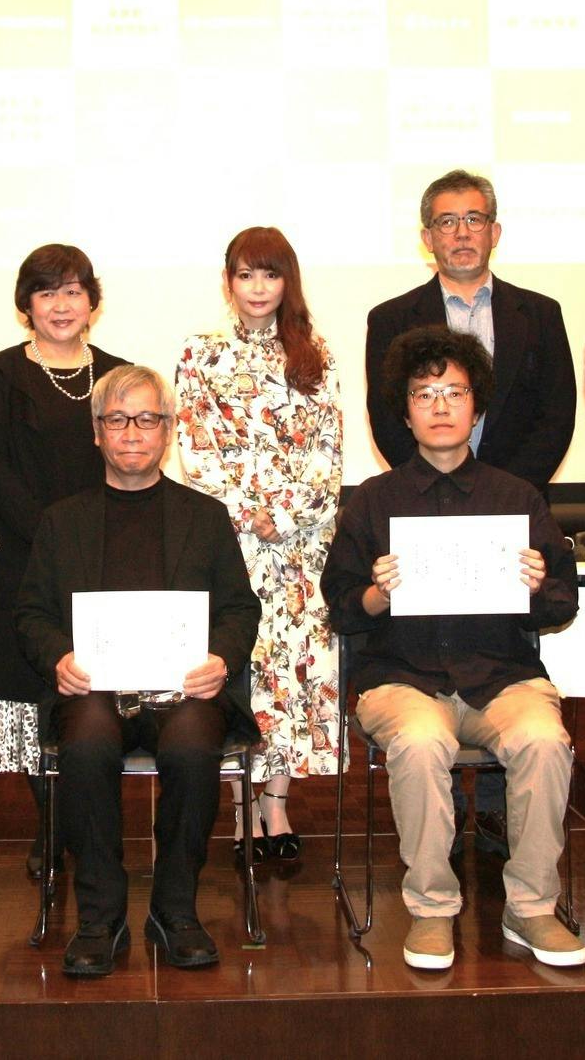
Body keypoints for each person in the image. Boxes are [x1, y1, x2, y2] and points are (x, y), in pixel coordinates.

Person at [323, 327, 584, 971]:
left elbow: (562, 603)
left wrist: (534, 586)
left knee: (544, 741)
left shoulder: (516, 497)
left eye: (455, 393)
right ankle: (432, 909)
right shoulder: (373, 502)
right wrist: (377, 594)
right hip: (401, 679)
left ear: (477, 405)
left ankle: (532, 907)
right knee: (419, 742)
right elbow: (341, 606)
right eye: (424, 394)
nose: (440, 406)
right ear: (404, 410)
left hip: (501, 677)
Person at [16, 365, 261, 978]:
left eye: (147, 419)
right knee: (86, 744)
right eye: (118, 420)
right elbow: (32, 614)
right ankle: (101, 916)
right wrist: (58, 658)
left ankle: (175, 909)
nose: (133, 432)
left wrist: (221, 659)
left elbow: (240, 608)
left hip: (184, 689)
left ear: (169, 430)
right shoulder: (61, 520)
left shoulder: (205, 516)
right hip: (94, 690)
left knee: (192, 747)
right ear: (96, 432)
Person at [364, 168, 576, 857]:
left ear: (495, 230)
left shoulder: (539, 312)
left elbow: (557, 415)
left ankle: (493, 815)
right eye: (447, 221)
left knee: (501, 665)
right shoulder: (390, 318)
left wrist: (496, 498)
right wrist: (434, 484)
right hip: (419, 508)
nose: (461, 232)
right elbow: (387, 416)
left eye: (474, 218)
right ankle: (445, 825)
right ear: (427, 236)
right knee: (428, 687)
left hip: (506, 511)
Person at [173, 226, 342, 862]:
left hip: (301, 550)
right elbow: (194, 451)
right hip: (233, 545)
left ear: (287, 281)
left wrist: (286, 514)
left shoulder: (315, 353)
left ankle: (277, 804)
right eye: (246, 275)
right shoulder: (201, 353)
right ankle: (242, 809)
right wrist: (251, 513)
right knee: (242, 672)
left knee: (293, 679)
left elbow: (329, 454)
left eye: (270, 274)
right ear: (228, 282)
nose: (258, 287)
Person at [0, 244, 127, 876]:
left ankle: (90, 819)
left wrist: (87, 541)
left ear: (92, 301)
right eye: (46, 292)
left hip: (104, 563)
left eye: (73, 291)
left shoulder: (117, 374)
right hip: (24, 559)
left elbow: (131, 458)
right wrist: (52, 537)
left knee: (95, 697)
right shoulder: (2, 373)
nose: (61, 305)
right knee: (29, 695)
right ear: (26, 305)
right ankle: (52, 822)